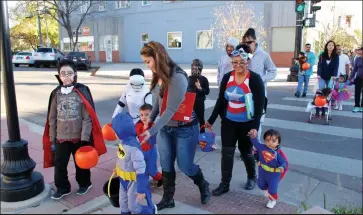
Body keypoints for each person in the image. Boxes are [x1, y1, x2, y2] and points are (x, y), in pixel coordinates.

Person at [139, 41, 210, 211]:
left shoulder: (177, 77)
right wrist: (151, 118)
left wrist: (152, 130)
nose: (147, 66)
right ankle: (168, 199)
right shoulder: (163, 74)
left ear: (157, 57)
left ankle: (203, 184)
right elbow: (160, 99)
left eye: (148, 61)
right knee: (166, 165)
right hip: (166, 128)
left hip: (185, 128)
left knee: (185, 166)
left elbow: (171, 109)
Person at [205, 44, 265, 195]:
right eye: (235, 62)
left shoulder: (255, 79)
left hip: (246, 124)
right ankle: (225, 184)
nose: (238, 65)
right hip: (229, 122)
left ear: (247, 62)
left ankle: (252, 176)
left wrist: (255, 127)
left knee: (246, 152)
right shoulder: (227, 77)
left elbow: (259, 106)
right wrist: (211, 120)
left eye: (241, 63)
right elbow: (220, 100)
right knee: (227, 153)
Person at [43, 59, 107, 200]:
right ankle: (62, 188)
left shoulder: (81, 92)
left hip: (78, 137)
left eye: (69, 73)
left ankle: (85, 183)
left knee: (81, 164)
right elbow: (51, 118)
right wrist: (52, 137)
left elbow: (87, 117)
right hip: (61, 137)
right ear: (59, 76)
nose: (66, 76)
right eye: (63, 73)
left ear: (75, 74)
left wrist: (85, 138)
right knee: (60, 164)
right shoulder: (56, 94)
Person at [112, 112, 157, 214]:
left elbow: (141, 170)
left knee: (133, 207)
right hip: (123, 180)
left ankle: (151, 211)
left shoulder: (134, 149)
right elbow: (121, 158)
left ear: (121, 132)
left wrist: (141, 189)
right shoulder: (122, 142)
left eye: (115, 131)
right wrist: (117, 168)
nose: (114, 134)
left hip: (133, 182)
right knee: (123, 205)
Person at [242, 28, 277, 144]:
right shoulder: (243, 55)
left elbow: (273, 71)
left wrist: (261, 79)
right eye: (244, 42)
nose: (247, 45)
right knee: (246, 121)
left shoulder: (263, 55)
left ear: (255, 41)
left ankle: (256, 148)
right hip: (245, 94)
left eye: (249, 42)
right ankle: (246, 148)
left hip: (259, 94)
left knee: (257, 122)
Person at [248, 129, 288, 209]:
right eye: (267, 140)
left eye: (273, 141)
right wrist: (252, 136)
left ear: (278, 143)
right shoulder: (261, 147)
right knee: (261, 185)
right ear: (264, 140)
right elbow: (255, 142)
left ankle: (272, 200)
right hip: (263, 172)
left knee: (272, 189)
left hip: (274, 174)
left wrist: (281, 167)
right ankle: (268, 190)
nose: (270, 143)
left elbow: (284, 162)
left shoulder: (277, 154)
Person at [135, 104, 163, 188]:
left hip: (151, 152)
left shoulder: (153, 126)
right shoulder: (137, 125)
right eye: (142, 115)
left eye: (147, 115)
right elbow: (133, 134)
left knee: (152, 170)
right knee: (142, 170)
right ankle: (144, 186)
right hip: (141, 152)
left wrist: (146, 127)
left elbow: (153, 134)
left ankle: (161, 179)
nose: (144, 117)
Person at [316, 40, 339, 117]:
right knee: (321, 91)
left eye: (332, 45)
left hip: (331, 77)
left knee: (328, 93)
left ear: (334, 47)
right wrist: (318, 74)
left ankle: (326, 108)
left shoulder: (336, 56)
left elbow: (336, 67)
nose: (331, 46)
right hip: (322, 76)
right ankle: (319, 107)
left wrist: (334, 75)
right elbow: (319, 65)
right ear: (326, 46)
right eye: (329, 45)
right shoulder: (322, 55)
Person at [188, 59, 210, 133]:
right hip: (190, 103)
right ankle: (190, 135)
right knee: (189, 120)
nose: (194, 70)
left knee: (200, 119)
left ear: (200, 69)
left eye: (196, 69)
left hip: (199, 102)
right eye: (193, 68)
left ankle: (201, 135)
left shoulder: (204, 79)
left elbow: (207, 92)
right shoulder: (188, 79)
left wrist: (200, 88)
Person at [350, 47, 363, 113]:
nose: (360, 54)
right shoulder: (357, 59)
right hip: (358, 78)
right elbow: (355, 69)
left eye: (361, 52)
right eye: (359, 53)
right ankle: (356, 106)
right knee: (357, 92)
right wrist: (351, 77)